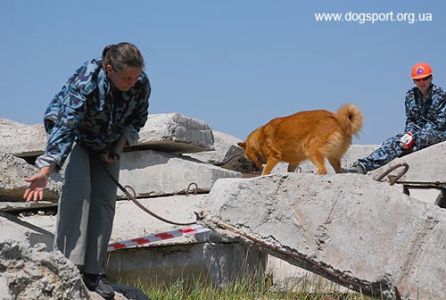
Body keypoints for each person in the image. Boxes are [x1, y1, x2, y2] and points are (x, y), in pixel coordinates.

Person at [23, 42, 151, 299]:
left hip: (108, 141)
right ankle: (69, 267)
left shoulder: (140, 83)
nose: (131, 82)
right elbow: (66, 124)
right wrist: (46, 168)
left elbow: (138, 118)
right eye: (126, 77)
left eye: (135, 77)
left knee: (105, 201)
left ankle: (94, 273)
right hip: (77, 138)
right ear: (109, 67)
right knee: (79, 193)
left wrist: (117, 147)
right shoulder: (88, 78)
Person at [346, 62, 446, 174]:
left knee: (412, 142)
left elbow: (440, 124)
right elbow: (411, 119)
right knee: (393, 142)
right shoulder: (410, 96)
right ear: (414, 81)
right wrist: (409, 134)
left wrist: (415, 136)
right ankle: (363, 165)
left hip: (437, 133)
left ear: (430, 78)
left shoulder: (441, 95)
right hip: (417, 133)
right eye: (418, 79)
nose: (422, 82)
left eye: (425, 78)